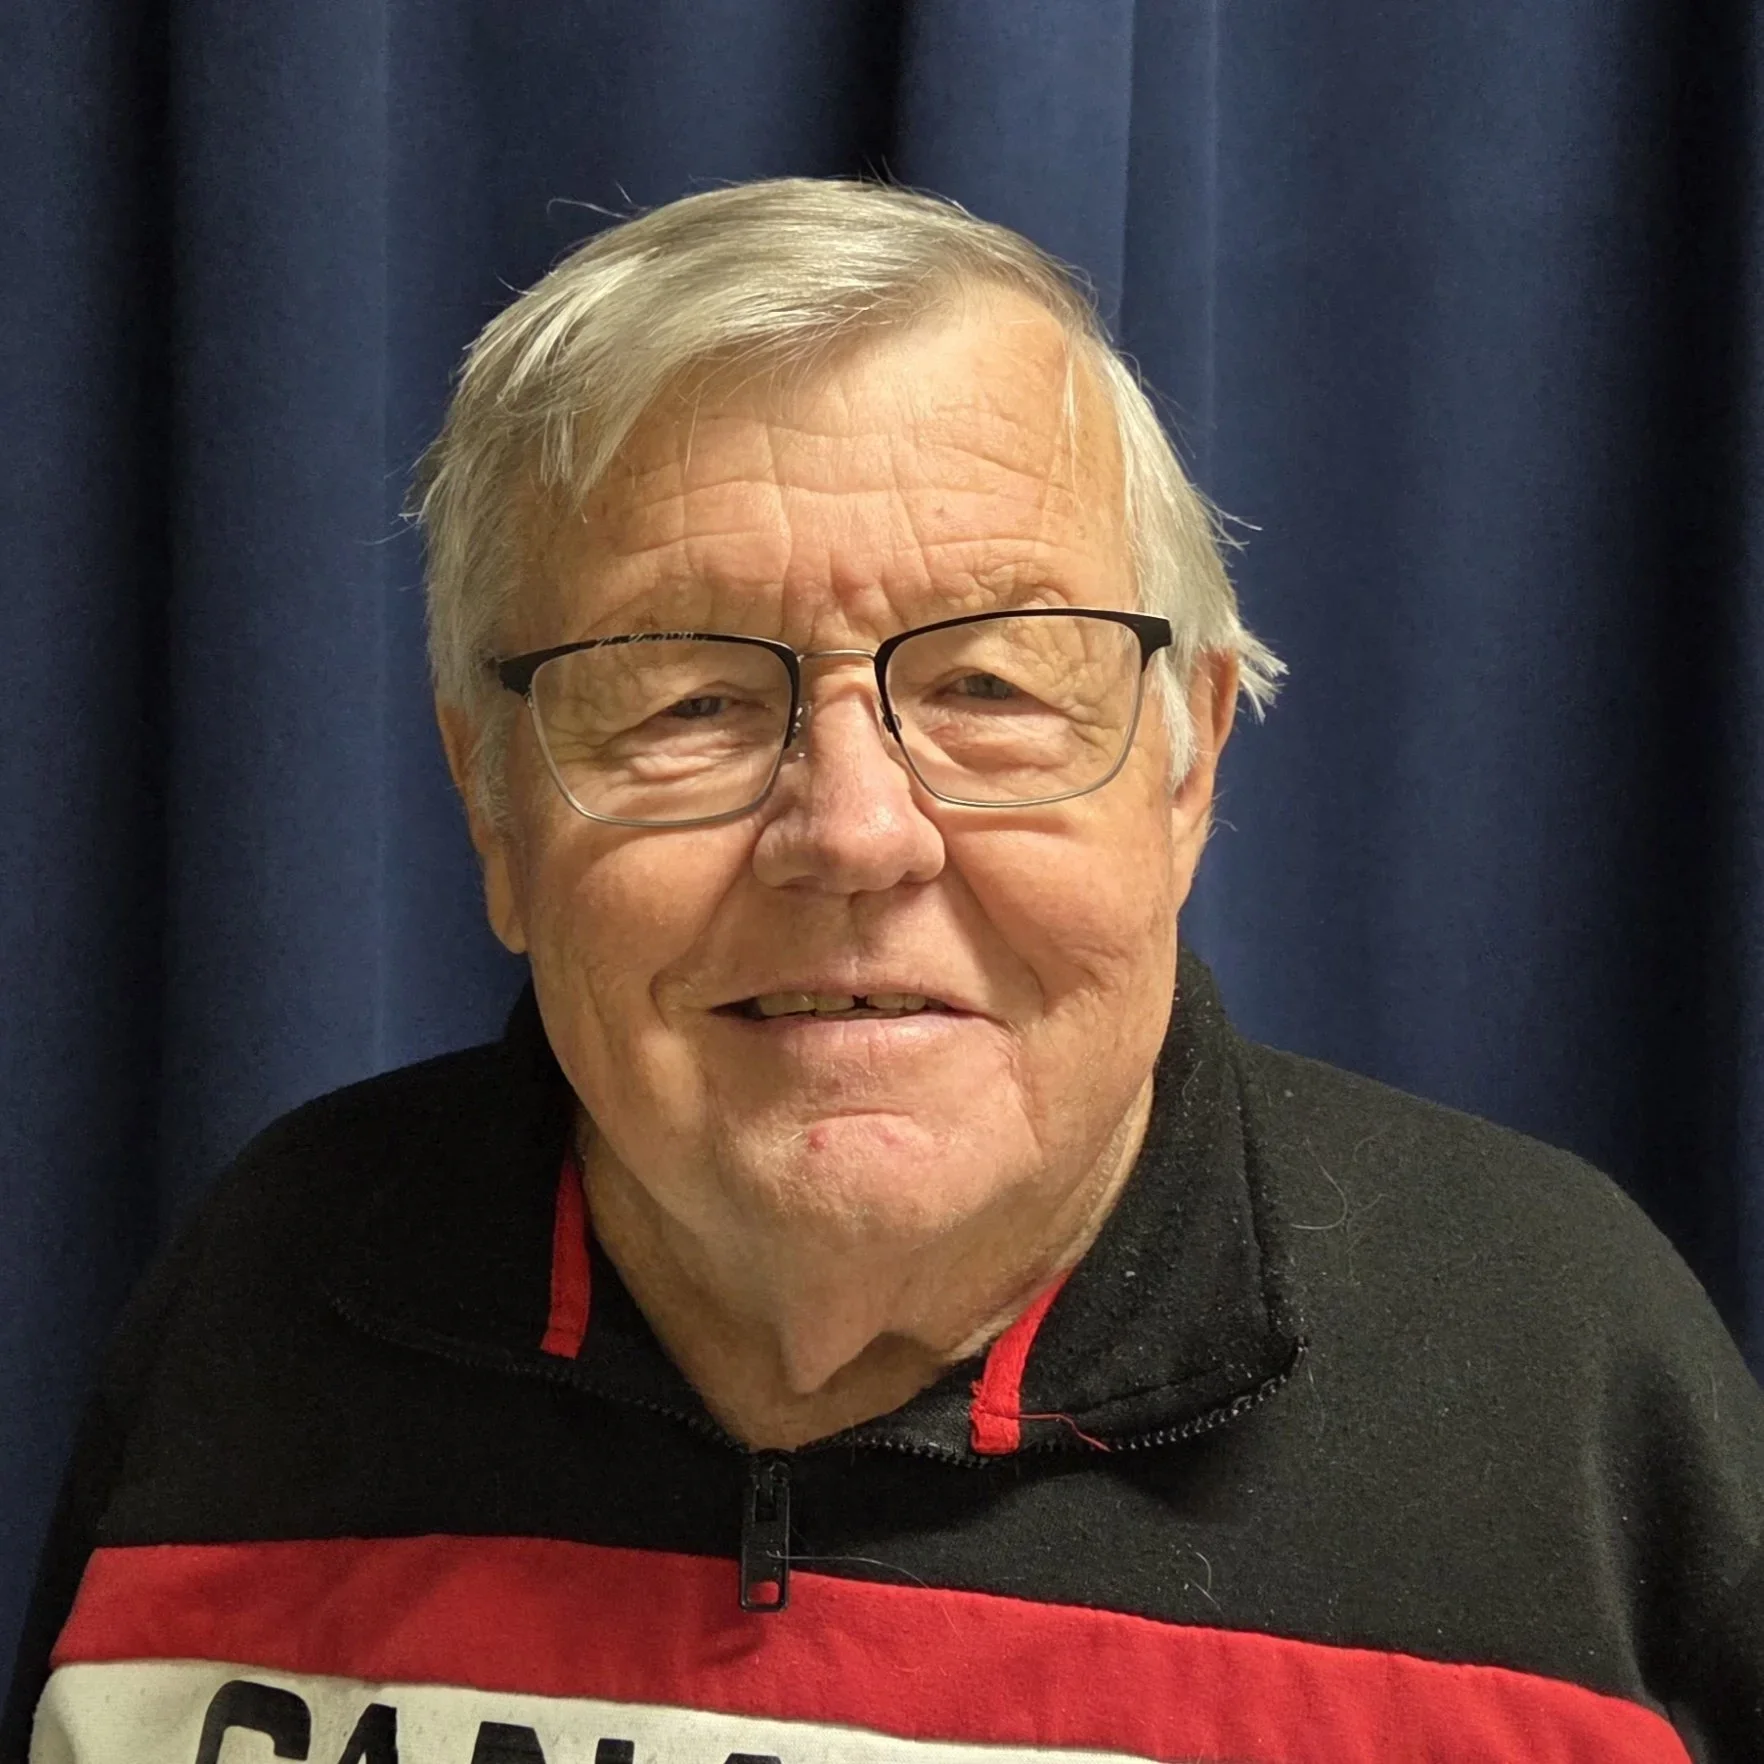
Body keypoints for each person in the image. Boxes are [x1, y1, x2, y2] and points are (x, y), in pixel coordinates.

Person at [6, 178, 1761, 1764]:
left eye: (993, 688)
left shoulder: (1567, 1393)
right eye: (686, 700)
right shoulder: (268, 1294)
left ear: (1188, 769)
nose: (853, 832)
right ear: (491, 802)